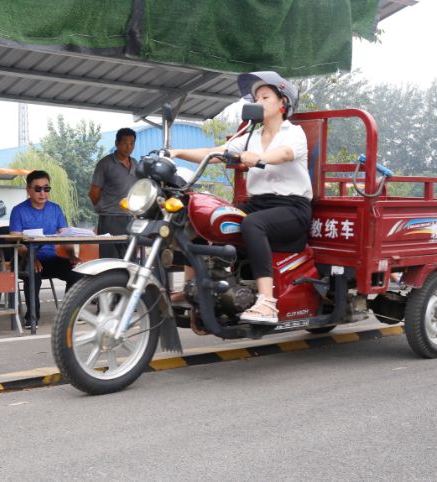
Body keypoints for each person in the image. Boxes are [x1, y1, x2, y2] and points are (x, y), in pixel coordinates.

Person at [170, 71, 312, 325]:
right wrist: (177, 152)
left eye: (265, 97)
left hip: (292, 208)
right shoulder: (250, 136)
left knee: (253, 223)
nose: (258, 101)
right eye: (256, 98)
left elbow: (285, 153)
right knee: (206, 218)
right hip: (258, 204)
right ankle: (193, 289)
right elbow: (215, 153)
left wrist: (260, 158)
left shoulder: (294, 132)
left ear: (283, 104)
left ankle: (267, 302)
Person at [10, 170, 82, 326]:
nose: (42, 193)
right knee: (33, 272)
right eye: (38, 189)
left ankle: (68, 315)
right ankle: (32, 318)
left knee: (77, 273)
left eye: (46, 189)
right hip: (25, 259)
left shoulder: (56, 209)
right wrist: (31, 257)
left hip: (50, 259)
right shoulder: (18, 210)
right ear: (28, 190)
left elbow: (65, 236)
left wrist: (71, 255)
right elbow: (16, 241)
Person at [89, 127, 138, 258]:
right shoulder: (105, 164)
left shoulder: (135, 164)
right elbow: (93, 192)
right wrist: (102, 209)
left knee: (130, 259)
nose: (129, 147)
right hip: (110, 218)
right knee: (109, 259)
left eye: (132, 143)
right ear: (117, 143)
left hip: (131, 218)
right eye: (125, 143)